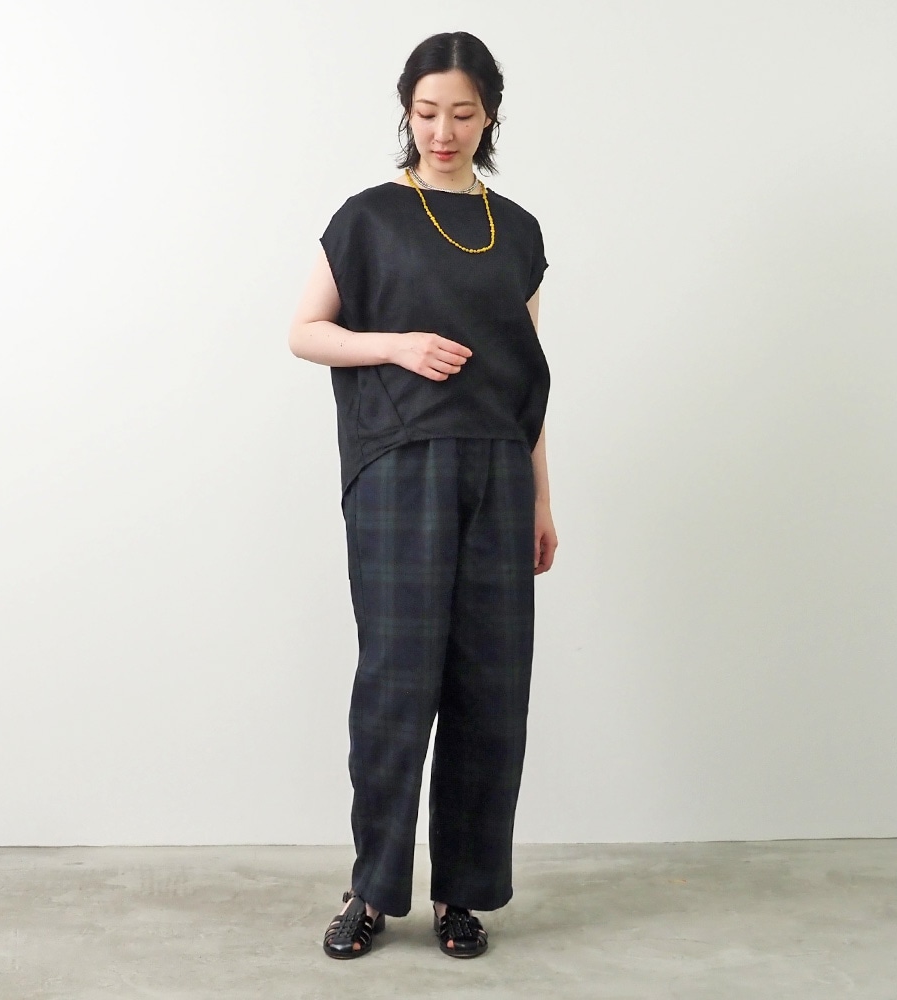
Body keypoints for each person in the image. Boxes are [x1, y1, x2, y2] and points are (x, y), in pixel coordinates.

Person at [288, 30, 557, 960]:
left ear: (490, 118)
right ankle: (372, 889)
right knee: (396, 684)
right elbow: (306, 330)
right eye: (428, 112)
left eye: (463, 114)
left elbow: (528, 377)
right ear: (407, 111)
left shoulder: (516, 231)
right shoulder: (369, 217)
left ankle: (462, 895)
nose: (444, 132)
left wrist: (541, 499)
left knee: (491, 688)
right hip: (399, 466)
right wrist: (396, 345)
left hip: (499, 469)